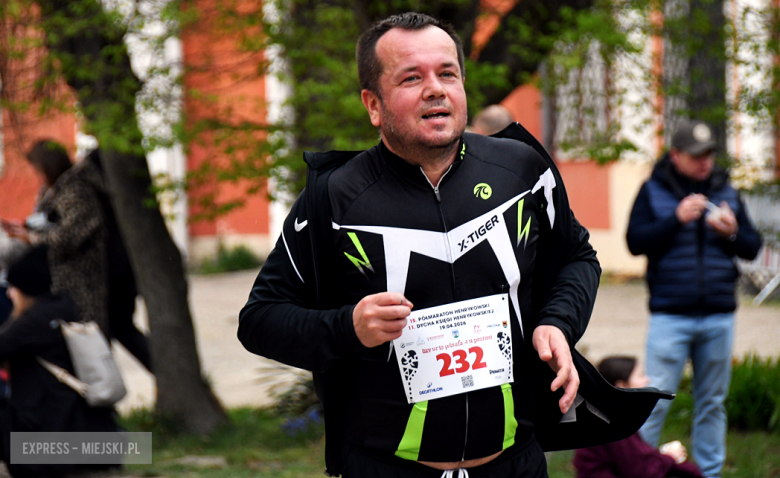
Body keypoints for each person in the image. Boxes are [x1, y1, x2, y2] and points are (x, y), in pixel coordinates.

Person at [239, 13, 667, 478]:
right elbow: (260, 321)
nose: (436, 89)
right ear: (374, 105)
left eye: (447, 73)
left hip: (515, 464)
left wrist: (557, 323)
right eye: (411, 78)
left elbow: (576, 258)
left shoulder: (522, 171)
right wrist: (349, 328)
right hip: (386, 467)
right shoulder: (333, 199)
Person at [626, 120, 762, 477]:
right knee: (652, 402)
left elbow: (752, 246)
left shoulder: (727, 190)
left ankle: (709, 473)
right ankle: (639, 470)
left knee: (712, 404)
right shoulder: (652, 190)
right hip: (670, 316)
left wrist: (733, 233)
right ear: (676, 155)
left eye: (709, 155)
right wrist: (675, 219)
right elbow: (635, 241)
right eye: (696, 155)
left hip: (719, 315)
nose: (705, 162)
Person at [0, 245, 118, 477]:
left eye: (13, 288)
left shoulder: (35, 321)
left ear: (26, 289)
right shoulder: (61, 308)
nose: (8, 294)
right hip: (79, 432)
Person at [2, 140, 109, 334]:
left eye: (38, 169)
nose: (37, 176)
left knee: (83, 338)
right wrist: (24, 226)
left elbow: (67, 237)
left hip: (78, 281)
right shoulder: (51, 191)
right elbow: (46, 219)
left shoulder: (75, 192)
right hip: (54, 280)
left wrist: (31, 238)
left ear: (50, 166)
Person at [574, 356, 704, 478]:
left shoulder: (616, 417)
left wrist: (664, 457)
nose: (647, 380)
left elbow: (638, 461)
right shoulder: (612, 425)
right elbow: (640, 473)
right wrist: (669, 458)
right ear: (622, 386)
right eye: (640, 376)